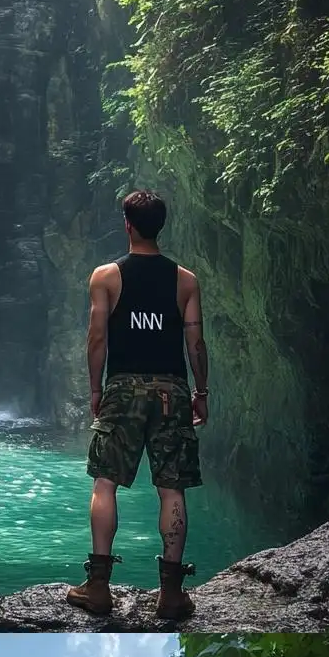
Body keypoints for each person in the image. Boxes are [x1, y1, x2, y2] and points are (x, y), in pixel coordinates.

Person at [66, 189, 208, 623]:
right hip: (172, 390)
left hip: (123, 389)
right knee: (172, 488)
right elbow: (195, 342)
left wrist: (95, 390)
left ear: (127, 224)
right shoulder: (185, 280)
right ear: (160, 226)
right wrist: (202, 390)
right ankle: (170, 594)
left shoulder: (106, 276)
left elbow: (97, 338)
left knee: (105, 483)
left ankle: (98, 586)